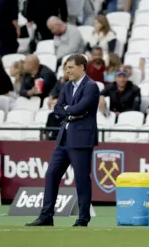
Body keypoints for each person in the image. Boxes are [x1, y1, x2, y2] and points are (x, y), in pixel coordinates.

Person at [26, 54, 99, 227]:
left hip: (81, 139)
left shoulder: (91, 86)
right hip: (64, 138)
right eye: (66, 68)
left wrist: (68, 109)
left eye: (71, 67)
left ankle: (83, 219)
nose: (67, 71)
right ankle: (46, 216)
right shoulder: (66, 86)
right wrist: (70, 111)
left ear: (82, 67)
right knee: (51, 174)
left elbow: (81, 107)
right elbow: (58, 109)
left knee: (81, 179)